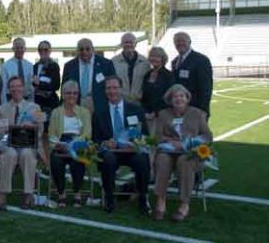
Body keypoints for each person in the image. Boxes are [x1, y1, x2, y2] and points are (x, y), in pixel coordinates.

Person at [153, 84, 213, 222]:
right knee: (162, 160)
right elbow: (157, 137)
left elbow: (207, 136)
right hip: (169, 151)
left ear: (187, 98)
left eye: (181, 96)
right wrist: (170, 140)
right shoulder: (163, 114)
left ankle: (184, 204)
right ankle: (161, 200)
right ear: (170, 99)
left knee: (184, 161)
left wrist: (187, 143)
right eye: (175, 96)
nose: (178, 99)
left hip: (190, 153)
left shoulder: (197, 113)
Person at [92, 76, 150, 214]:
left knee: (142, 159)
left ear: (121, 89)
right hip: (110, 151)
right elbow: (95, 139)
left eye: (115, 87)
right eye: (109, 88)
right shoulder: (99, 112)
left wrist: (136, 143)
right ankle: (109, 198)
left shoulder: (135, 109)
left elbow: (145, 135)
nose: (112, 91)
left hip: (131, 151)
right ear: (105, 91)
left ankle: (143, 198)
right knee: (108, 159)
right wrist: (105, 143)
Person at [0, 76, 45, 210]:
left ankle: (28, 195)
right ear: (9, 90)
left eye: (18, 86)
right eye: (12, 87)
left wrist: (30, 129)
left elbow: (40, 131)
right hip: (7, 143)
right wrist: (6, 130)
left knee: (27, 154)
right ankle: (2, 195)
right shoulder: (1, 109)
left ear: (23, 88)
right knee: (9, 154)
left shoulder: (35, 107)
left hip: (28, 143)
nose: (16, 89)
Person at [48, 80, 91, 208]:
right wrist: (59, 144)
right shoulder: (56, 112)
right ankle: (61, 193)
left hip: (78, 144)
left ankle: (77, 192)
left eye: (75, 93)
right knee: (56, 161)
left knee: (78, 160)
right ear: (63, 94)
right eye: (68, 93)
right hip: (60, 144)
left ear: (78, 95)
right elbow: (51, 134)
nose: (72, 96)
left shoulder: (85, 112)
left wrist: (73, 145)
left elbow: (87, 133)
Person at [62, 38, 115, 115]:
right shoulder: (69, 66)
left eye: (87, 49)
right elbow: (64, 88)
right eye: (81, 49)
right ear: (77, 51)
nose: (84, 52)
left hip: (99, 105)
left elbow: (113, 86)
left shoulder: (106, 64)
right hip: (76, 104)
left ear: (93, 50)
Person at [170, 32, 213, 118]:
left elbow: (206, 88)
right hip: (179, 109)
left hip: (196, 109)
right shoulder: (174, 62)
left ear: (189, 42)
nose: (180, 43)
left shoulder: (201, 60)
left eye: (183, 41)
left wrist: (203, 110)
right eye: (177, 41)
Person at [141, 47, 173, 135]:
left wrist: (156, 112)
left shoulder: (168, 75)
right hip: (147, 115)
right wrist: (145, 112)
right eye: (152, 56)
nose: (154, 59)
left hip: (162, 115)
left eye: (157, 56)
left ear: (163, 59)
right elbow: (144, 96)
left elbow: (169, 97)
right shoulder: (147, 75)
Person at [112, 33, 150, 103]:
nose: (128, 45)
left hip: (139, 102)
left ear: (135, 44)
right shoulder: (113, 62)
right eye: (126, 42)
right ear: (121, 44)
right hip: (120, 102)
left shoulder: (145, 62)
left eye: (131, 42)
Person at [32, 40, 60, 131]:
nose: (43, 52)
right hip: (38, 104)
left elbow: (55, 85)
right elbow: (33, 83)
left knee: (49, 129)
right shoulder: (35, 66)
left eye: (45, 49)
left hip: (49, 105)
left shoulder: (54, 66)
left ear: (50, 51)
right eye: (40, 50)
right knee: (39, 128)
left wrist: (39, 84)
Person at [0, 37, 33, 103]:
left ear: (25, 49)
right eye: (17, 48)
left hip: (26, 100)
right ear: (13, 49)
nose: (19, 50)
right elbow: (3, 88)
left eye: (21, 48)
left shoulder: (30, 65)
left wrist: (32, 102)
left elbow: (31, 86)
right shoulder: (5, 66)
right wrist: (4, 104)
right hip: (11, 100)